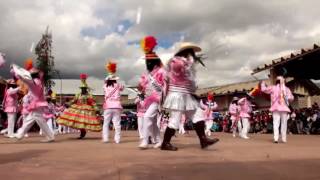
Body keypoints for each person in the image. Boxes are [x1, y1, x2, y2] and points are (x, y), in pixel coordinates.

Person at [161, 42, 219, 151]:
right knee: (175, 120)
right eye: (191, 52)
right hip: (177, 94)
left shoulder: (188, 64)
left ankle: (203, 140)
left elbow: (191, 82)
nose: (193, 55)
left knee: (198, 115)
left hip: (187, 95)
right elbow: (174, 69)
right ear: (187, 52)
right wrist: (187, 64)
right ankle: (165, 143)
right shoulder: (176, 61)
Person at [11, 63, 55, 142]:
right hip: (38, 103)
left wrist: (16, 71)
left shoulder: (34, 82)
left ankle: (50, 136)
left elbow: (25, 79)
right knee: (30, 119)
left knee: (39, 120)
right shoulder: (39, 82)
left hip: (37, 104)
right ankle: (20, 134)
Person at [138, 36, 165, 149]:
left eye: (148, 61)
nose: (147, 63)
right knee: (153, 122)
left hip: (157, 99)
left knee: (147, 117)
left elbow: (165, 85)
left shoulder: (161, 71)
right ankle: (159, 140)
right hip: (149, 99)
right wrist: (140, 87)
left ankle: (145, 141)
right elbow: (143, 86)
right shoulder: (147, 74)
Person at [57, 74, 101, 139]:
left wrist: (97, 110)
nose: (83, 90)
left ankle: (83, 132)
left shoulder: (89, 96)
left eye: (84, 89)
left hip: (86, 110)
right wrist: (68, 104)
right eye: (82, 89)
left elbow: (93, 103)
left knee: (84, 121)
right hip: (78, 109)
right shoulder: (78, 95)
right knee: (78, 121)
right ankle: (82, 132)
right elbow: (73, 100)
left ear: (86, 89)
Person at [261, 76, 294, 143]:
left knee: (276, 123)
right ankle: (283, 139)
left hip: (275, 107)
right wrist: (287, 98)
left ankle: (276, 138)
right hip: (284, 108)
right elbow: (291, 98)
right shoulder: (286, 89)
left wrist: (263, 83)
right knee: (284, 123)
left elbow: (264, 89)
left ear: (276, 81)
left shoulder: (273, 88)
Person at [102, 62, 124, 143]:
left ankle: (106, 138)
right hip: (117, 106)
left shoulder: (105, 86)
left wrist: (107, 79)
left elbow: (104, 85)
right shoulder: (118, 85)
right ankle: (117, 139)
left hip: (108, 106)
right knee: (117, 124)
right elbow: (122, 88)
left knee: (106, 123)